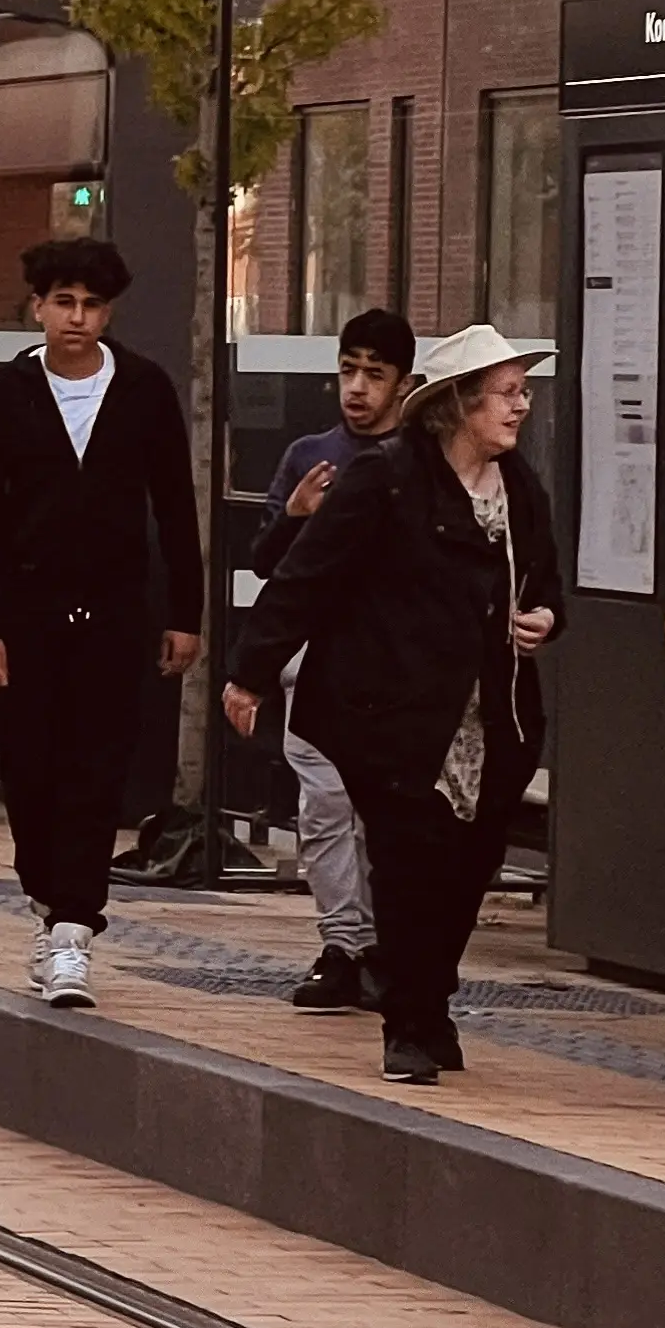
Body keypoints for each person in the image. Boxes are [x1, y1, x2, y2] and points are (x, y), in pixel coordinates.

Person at [227, 325, 565, 1087]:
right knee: (410, 869)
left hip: (493, 718)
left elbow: (545, 587)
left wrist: (543, 619)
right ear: (459, 404)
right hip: (394, 713)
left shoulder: (521, 486)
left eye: (523, 392)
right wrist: (249, 674)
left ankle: (431, 1001)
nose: (522, 407)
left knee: (467, 871)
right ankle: (408, 1024)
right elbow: (305, 578)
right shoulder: (386, 478)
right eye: (508, 393)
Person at [0, 237, 205, 1010]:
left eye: (92, 305)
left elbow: (175, 506)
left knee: (96, 771)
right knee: (31, 772)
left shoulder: (144, 390)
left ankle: (72, 931)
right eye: (64, 302)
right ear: (37, 307)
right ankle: (46, 897)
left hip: (114, 613)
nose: (78, 318)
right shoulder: (2, 398)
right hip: (26, 616)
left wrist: (185, 615)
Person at [250, 308, 417, 1013]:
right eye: (348, 371)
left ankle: (383, 946)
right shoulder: (309, 456)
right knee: (324, 807)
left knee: (382, 811)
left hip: (388, 663)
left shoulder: (417, 459)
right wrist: (293, 515)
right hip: (315, 660)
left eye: (374, 375)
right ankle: (341, 946)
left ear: (403, 385)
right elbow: (264, 563)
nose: (357, 388)